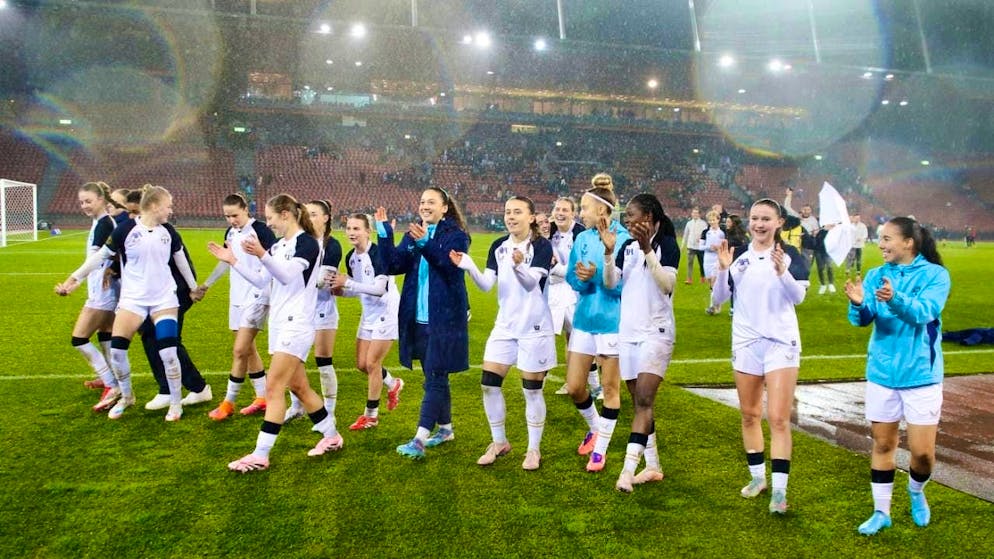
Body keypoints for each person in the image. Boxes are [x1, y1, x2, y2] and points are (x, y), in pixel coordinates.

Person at [209, 193, 343, 473]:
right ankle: (331, 436)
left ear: (286, 214)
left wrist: (261, 254)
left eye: (270, 218)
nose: (268, 224)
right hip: (281, 324)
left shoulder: (307, 242)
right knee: (300, 387)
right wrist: (233, 260)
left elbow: (286, 275)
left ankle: (261, 453)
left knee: (273, 387)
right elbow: (262, 280)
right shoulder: (282, 245)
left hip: (297, 324)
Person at [844, 217, 950, 535]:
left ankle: (916, 492)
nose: (881, 244)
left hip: (921, 375)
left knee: (922, 454)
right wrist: (859, 305)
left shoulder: (935, 275)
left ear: (908, 242)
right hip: (882, 373)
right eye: (880, 238)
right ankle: (881, 511)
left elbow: (924, 313)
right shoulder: (876, 275)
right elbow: (863, 320)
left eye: (888, 238)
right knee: (883, 444)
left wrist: (896, 298)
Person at [56, 185, 198, 421]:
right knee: (119, 351)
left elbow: (180, 260)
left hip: (164, 299)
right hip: (133, 300)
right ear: (154, 206)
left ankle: (175, 403)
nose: (171, 210)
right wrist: (74, 279)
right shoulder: (125, 230)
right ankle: (127, 396)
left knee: (168, 352)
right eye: (168, 205)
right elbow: (100, 257)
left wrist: (194, 288)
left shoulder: (169, 232)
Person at [710, 198, 810, 514]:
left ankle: (779, 492)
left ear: (779, 222)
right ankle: (758, 478)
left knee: (778, 418)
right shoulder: (737, 256)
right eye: (755, 218)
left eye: (766, 218)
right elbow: (718, 300)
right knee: (750, 414)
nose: (759, 224)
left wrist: (782, 272)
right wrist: (723, 271)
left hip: (781, 343)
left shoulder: (790, 255)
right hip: (745, 343)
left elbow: (798, 297)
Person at [451, 196, 555, 470]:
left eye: (517, 212)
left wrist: (520, 265)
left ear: (531, 217)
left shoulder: (542, 246)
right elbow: (486, 285)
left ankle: (533, 450)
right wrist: (468, 265)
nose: (510, 216)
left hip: (534, 328)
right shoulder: (499, 246)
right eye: (508, 212)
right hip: (505, 326)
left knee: (531, 390)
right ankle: (499, 442)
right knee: (488, 383)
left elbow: (533, 283)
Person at [381, 187, 470, 460]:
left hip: (444, 319)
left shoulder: (456, 235)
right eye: (422, 202)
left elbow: (446, 263)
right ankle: (445, 429)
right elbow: (393, 264)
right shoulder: (415, 233)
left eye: (431, 202)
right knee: (433, 374)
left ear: (445, 208)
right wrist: (384, 233)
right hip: (417, 318)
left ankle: (419, 438)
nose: (425, 206)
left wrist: (424, 243)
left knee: (435, 376)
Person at [605, 193, 680, 492]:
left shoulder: (667, 245)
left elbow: (667, 285)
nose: (626, 220)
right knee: (640, 404)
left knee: (644, 400)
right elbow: (612, 283)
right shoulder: (625, 247)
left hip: (656, 332)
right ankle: (653, 466)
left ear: (648, 217)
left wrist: (648, 249)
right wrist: (610, 255)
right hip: (629, 334)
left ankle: (626, 471)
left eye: (631, 215)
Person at [564, 173, 630, 472]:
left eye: (585, 207)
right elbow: (570, 278)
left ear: (602, 210)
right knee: (576, 386)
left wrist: (600, 278)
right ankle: (595, 428)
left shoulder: (624, 239)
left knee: (610, 388)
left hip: (612, 322)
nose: (581, 212)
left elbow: (622, 287)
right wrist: (581, 279)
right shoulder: (582, 237)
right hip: (583, 319)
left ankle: (600, 451)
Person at [199, 193, 277, 420]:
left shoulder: (261, 231)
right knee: (248, 348)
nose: (231, 220)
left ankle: (228, 402)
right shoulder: (230, 233)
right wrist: (207, 284)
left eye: (235, 214)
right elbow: (227, 261)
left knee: (240, 349)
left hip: (258, 295)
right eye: (227, 216)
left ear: (246, 209)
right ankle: (262, 397)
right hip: (237, 296)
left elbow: (272, 262)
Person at [330, 209, 405, 430]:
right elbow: (362, 289)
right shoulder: (351, 257)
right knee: (361, 364)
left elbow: (380, 290)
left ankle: (370, 416)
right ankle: (393, 383)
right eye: (349, 228)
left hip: (386, 312)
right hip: (369, 313)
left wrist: (348, 283)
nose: (351, 233)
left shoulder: (379, 254)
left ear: (368, 231)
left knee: (372, 364)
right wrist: (342, 291)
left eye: (356, 229)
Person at [284, 200, 343, 422]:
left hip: (322, 309)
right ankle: (296, 405)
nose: (309, 217)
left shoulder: (332, 245)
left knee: (323, 361)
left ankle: (330, 410)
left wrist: (291, 276)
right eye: (306, 214)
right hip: (299, 311)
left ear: (326, 217)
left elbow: (320, 282)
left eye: (314, 214)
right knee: (292, 360)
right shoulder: (300, 242)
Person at [66, 182, 120, 405]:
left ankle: (111, 383)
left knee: (79, 339)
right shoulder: (101, 222)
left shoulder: (104, 224)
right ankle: (111, 377)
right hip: (105, 288)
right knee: (105, 335)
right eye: (81, 202)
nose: (84, 205)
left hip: (102, 292)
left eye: (88, 201)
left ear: (101, 200)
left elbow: (95, 259)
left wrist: (73, 281)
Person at [548, 197, 602, 399]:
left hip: (578, 292)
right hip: (554, 293)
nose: (560, 213)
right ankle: (572, 381)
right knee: (568, 338)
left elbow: (581, 269)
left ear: (573, 213)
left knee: (583, 339)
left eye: (565, 210)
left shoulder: (582, 233)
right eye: (557, 208)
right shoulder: (549, 229)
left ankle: (597, 386)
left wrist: (556, 269)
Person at [702, 209, 725, 315]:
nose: (711, 222)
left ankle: (713, 307)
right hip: (707, 259)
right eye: (710, 220)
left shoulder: (722, 233)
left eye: (713, 220)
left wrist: (719, 248)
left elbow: (724, 246)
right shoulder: (705, 232)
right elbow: (700, 246)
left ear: (718, 220)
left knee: (714, 283)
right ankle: (717, 305)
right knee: (710, 282)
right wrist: (709, 247)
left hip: (717, 259)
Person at [681, 207, 707, 285]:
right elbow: (685, 234)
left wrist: (702, 239)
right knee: (689, 263)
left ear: (699, 214)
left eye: (696, 213)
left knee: (701, 263)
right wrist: (683, 245)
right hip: (690, 246)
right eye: (693, 213)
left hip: (700, 247)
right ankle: (689, 279)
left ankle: (702, 277)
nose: (694, 214)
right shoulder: (689, 223)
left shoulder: (703, 223)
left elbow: (705, 234)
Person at [846, 212, 869, 279]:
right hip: (852, 245)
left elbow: (865, 234)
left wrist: (861, 238)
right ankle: (848, 269)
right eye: (856, 218)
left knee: (858, 258)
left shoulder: (862, 226)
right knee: (851, 257)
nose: (857, 219)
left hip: (859, 245)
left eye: (858, 218)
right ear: (854, 218)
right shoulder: (851, 226)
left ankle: (858, 271)